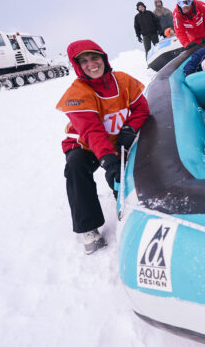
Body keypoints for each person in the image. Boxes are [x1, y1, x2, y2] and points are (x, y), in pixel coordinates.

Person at [56, 39, 149, 254]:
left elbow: (142, 110)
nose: (92, 64)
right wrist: (108, 160)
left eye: (95, 58)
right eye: (84, 61)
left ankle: (129, 206)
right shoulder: (76, 94)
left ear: (104, 58)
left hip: (118, 139)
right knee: (76, 167)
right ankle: (89, 227)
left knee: (123, 174)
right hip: (86, 145)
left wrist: (130, 128)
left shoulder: (124, 81)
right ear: (78, 66)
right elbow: (92, 131)